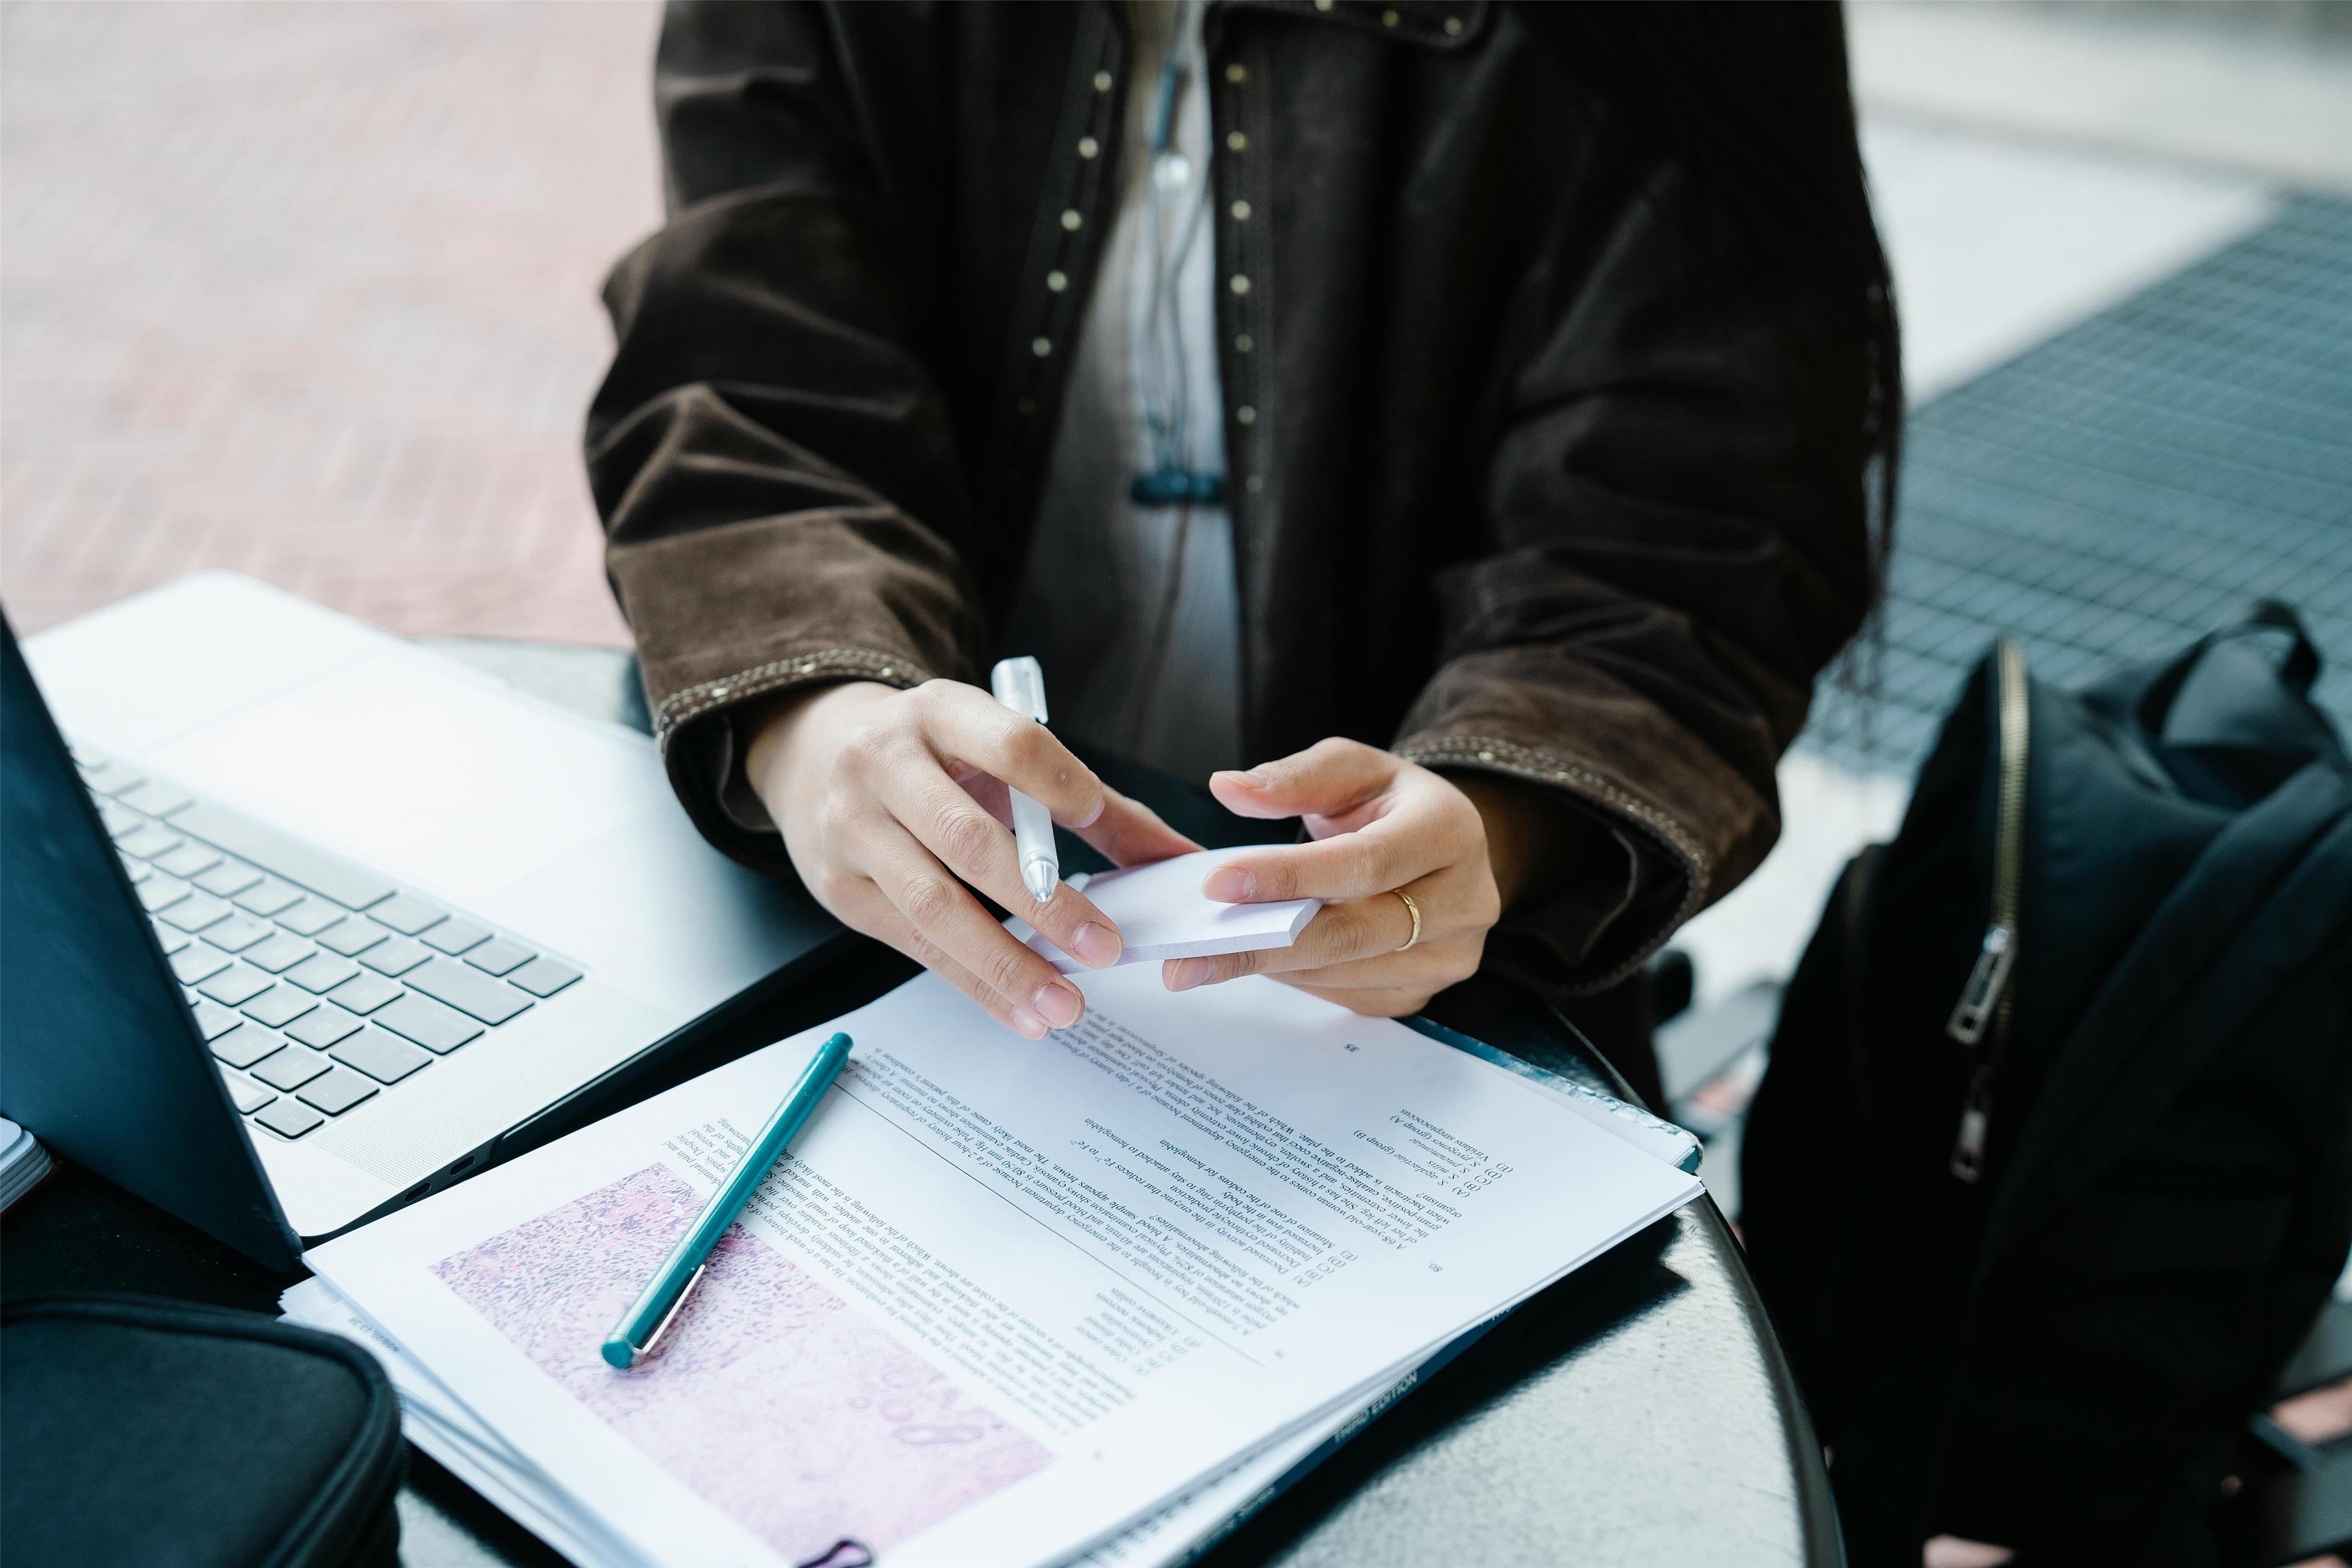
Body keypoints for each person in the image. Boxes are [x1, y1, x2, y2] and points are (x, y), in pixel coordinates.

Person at [585, 0, 1899, 1099]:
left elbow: (1692, 533)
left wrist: (1496, 824)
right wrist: (817, 715)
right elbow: (744, 369)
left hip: (1426, 1031)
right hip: (892, 958)